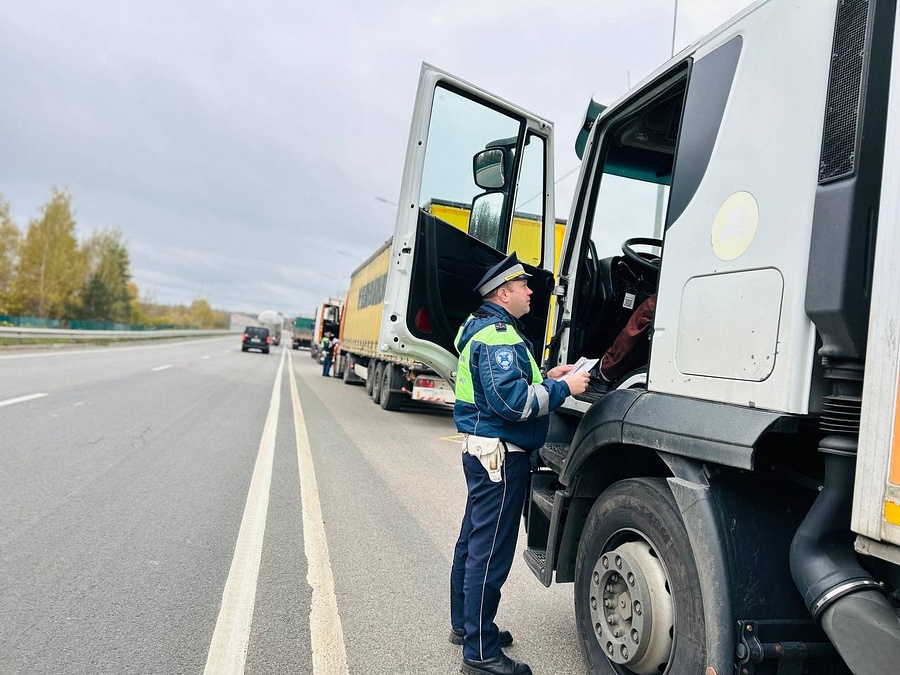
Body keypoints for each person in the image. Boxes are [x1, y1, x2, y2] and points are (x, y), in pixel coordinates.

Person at [449, 252, 590, 675]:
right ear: (504, 293)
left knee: (473, 544)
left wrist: (549, 372)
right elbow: (514, 403)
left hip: (484, 453)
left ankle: (467, 627)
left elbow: (509, 384)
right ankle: (480, 653)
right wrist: (564, 388)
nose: (532, 291)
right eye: (524, 285)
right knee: (489, 553)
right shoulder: (498, 336)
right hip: (501, 459)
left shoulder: (490, 332)